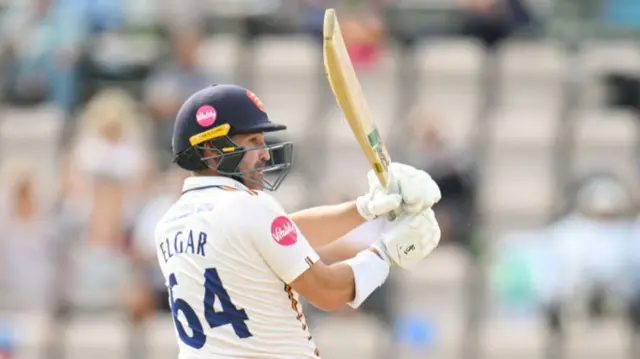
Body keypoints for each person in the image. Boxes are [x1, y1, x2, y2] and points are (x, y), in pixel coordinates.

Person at [155, 84, 442, 358]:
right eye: (252, 142)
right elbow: (328, 292)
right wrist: (385, 252)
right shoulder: (249, 207)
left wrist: (365, 208)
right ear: (210, 152)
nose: (265, 154)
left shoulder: (169, 223)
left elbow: (280, 232)